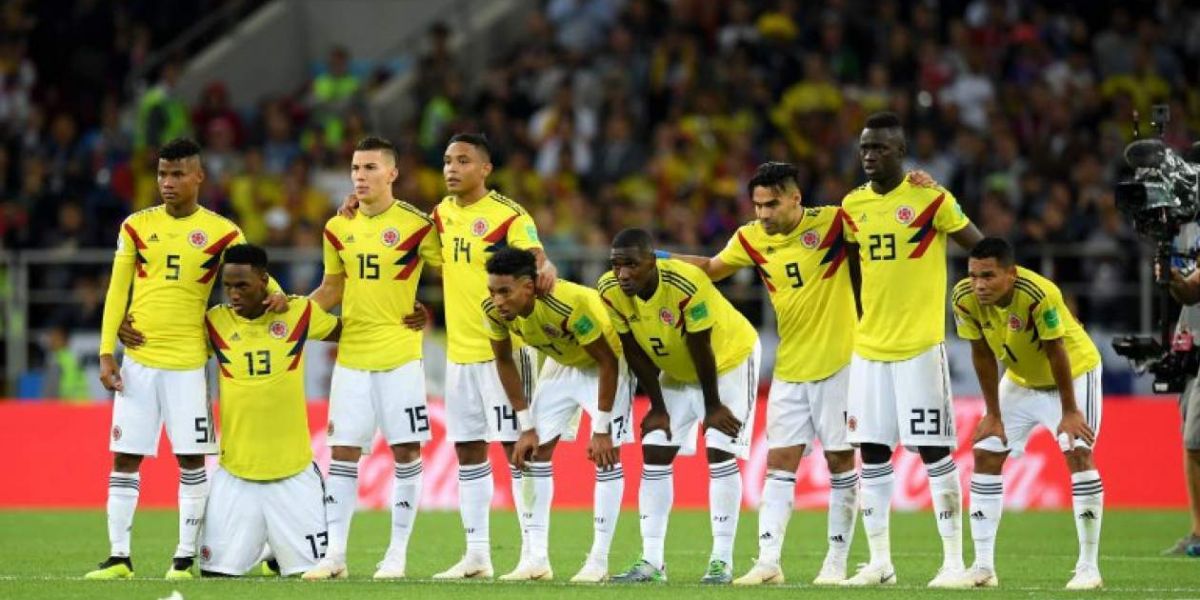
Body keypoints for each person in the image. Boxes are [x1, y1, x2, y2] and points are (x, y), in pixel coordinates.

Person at [339, 132, 558, 578]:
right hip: (460, 354)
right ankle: (478, 555)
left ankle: (536, 556)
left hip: (505, 352)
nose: (451, 169)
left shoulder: (507, 215)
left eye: (462, 160)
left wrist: (544, 263)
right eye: (446, 161)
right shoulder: (439, 216)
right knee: (468, 451)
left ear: (485, 169)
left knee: (518, 450)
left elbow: (534, 253)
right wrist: (355, 206)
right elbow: (406, 246)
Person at [89, 138, 285, 580]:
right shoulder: (136, 226)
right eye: (162, 174)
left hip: (189, 364)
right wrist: (107, 351)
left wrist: (278, 298)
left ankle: (183, 558)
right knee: (125, 456)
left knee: (192, 461)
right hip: (138, 362)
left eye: (177, 174)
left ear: (199, 177)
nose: (167, 183)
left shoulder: (223, 232)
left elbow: (254, 276)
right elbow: (117, 290)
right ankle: (119, 557)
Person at [667, 161, 859, 585]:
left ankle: (837, 562)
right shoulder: (751, 238)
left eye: (771, 205)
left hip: (841, 362)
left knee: (840, 459)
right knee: (779, 463)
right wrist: (658, 260)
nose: (763, 215)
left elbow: (885, 226)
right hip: (790, 365)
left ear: (795, 198)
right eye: (757, 206)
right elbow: (712, 269)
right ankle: (769, 561)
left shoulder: (834, 224)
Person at [839, 111, 983, 588]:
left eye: (878, 148)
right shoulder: (852, 206)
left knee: (934, 450)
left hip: (920, 346)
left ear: (900, 152)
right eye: (863, 148)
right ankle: (880, 562)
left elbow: (981, 249)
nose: (868, 156)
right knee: (874, 453)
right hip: (868, 348)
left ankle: (953, 563)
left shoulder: (930, 198)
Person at [301, 136, 439, 580]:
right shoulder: (337, 227)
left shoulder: (419, 226)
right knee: (342, 452)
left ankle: (396, 555)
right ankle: (335, 556)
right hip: (353, 356)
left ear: (392, 173)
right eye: (356, 168)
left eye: (370, 168)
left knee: (405, 450)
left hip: (400, 354)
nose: (360, 176)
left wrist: (430, 310)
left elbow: (454, 272)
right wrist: (293, 314)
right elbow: (331, 289)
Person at [598, 228, 761, 584]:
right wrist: (656, 406)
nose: (623, 273)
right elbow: (633, 349)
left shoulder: (687, 284)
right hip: (674, 366)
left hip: (727, 361)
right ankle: (652, 562)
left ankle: (722, 561)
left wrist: (712, 405)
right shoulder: (610, 290)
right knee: (655, 449)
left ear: (653, 262)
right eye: (616, 265)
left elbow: (702, 347)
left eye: (632, 265)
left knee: (719, 448)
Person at [950, 237, 1104, 590]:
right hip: (1020, 380)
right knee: (986, 452)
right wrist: (992, 413)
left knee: (1078, 453)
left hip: (1074, 376)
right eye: (973, 275)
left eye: (988, 276)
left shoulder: (1039, 293)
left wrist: (1069, 411)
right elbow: (982, 354)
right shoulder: (963, 298)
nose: (979, 285)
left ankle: (1088, 569)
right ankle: (983, 567)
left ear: (1011, 274)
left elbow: (1056, 350)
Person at [484, 247, 634, 582]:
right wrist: (525, 426)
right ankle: (536, 559)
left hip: (607, 363)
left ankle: (598, 561)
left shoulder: (566, 304)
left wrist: (602, 428)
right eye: (492, 291)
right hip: (562, 363)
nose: (498, 300)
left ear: (529, 286)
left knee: (607, 456)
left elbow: (608, 361)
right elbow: (504, 361)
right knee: (534, 453)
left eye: (505, 292)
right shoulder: (493, 312)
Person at [198, 244, 341, 577]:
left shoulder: (298, 314)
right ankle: (269, 546)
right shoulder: (213, 323)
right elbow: (170, 344)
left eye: (242, 285)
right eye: (228, 285)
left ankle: (276, 550)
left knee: (312, 576)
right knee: (216, 575)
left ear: (264, 281)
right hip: (235, 474)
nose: (233, 293)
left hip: (293, 473)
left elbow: (353, 333)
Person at [1161, 223, 1200, 557]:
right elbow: (1186, 295)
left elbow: (1191, 291)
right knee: (1191, 445)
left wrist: (1174, 279)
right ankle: (1198, 533)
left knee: (1194, 441)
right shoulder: (1185, 230)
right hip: (1192, 345)